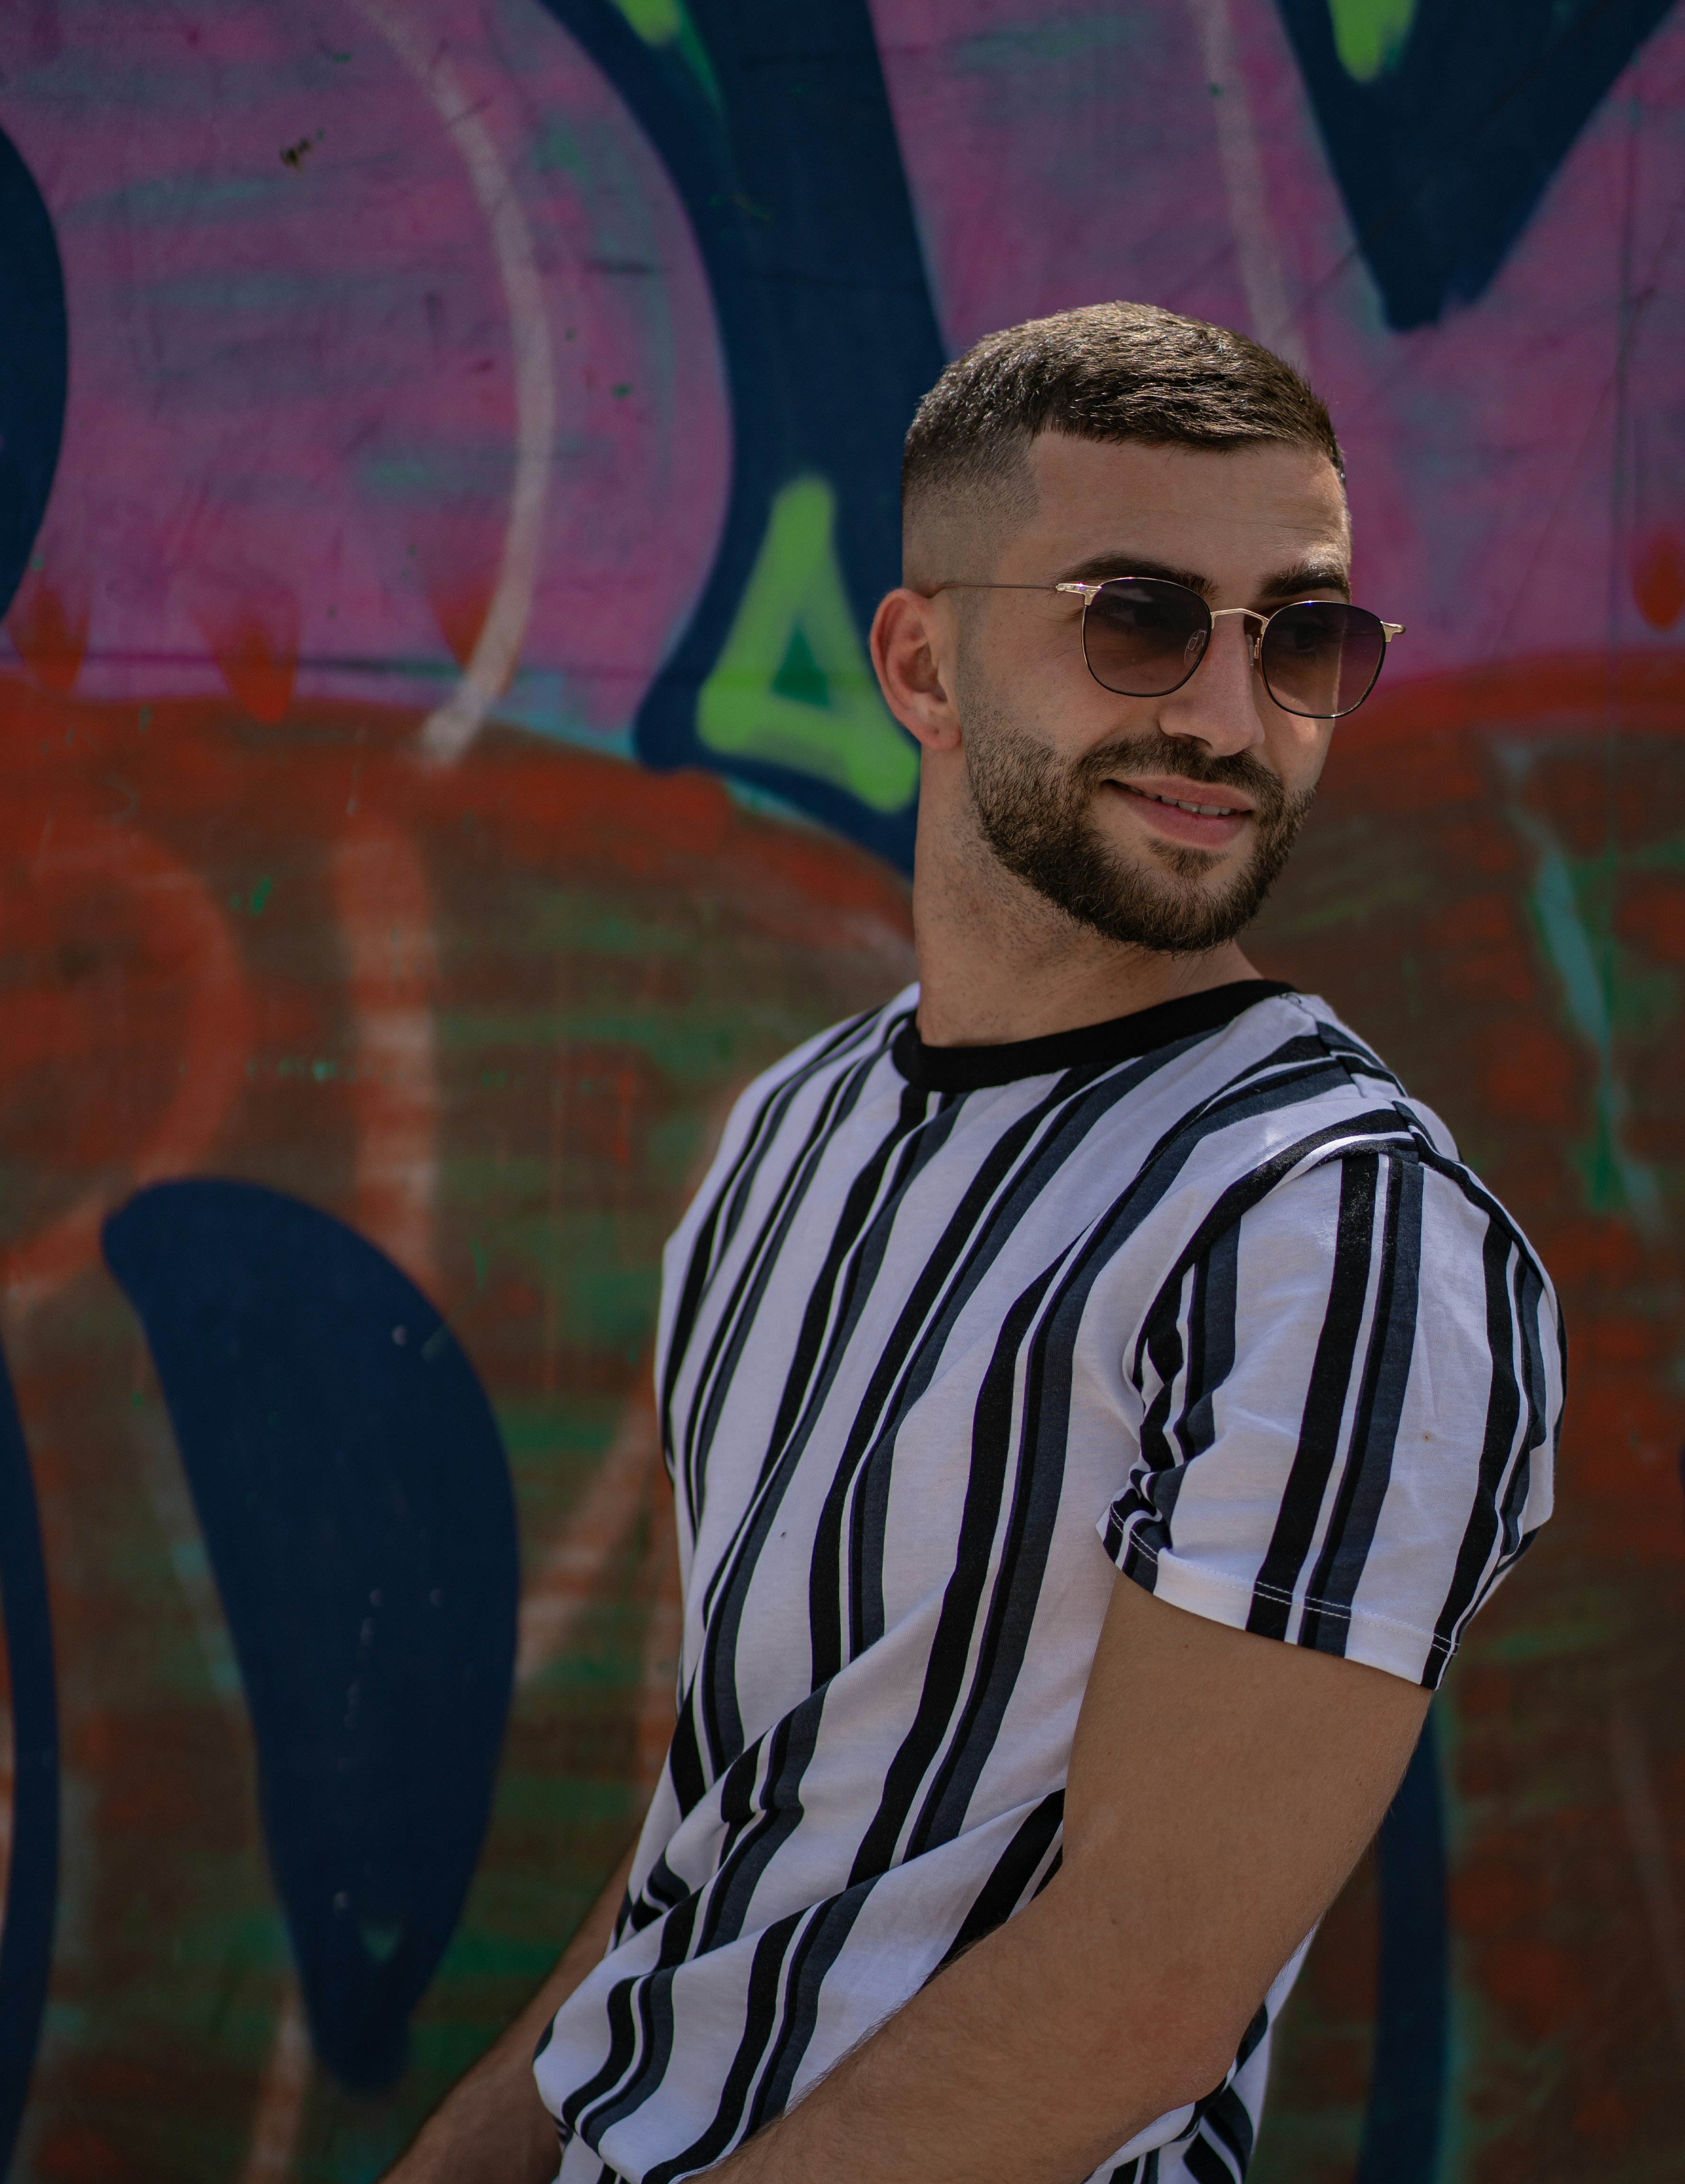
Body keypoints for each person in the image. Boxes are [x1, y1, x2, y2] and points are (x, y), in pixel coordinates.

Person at [388, 303, 1559, 2184]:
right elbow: (743, 1811)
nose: (1227, 716)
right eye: (1138, 619)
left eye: (1301, 637)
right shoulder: (795, 1131)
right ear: (921, 664)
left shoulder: (1334, 1229)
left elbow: (1139, 1988)